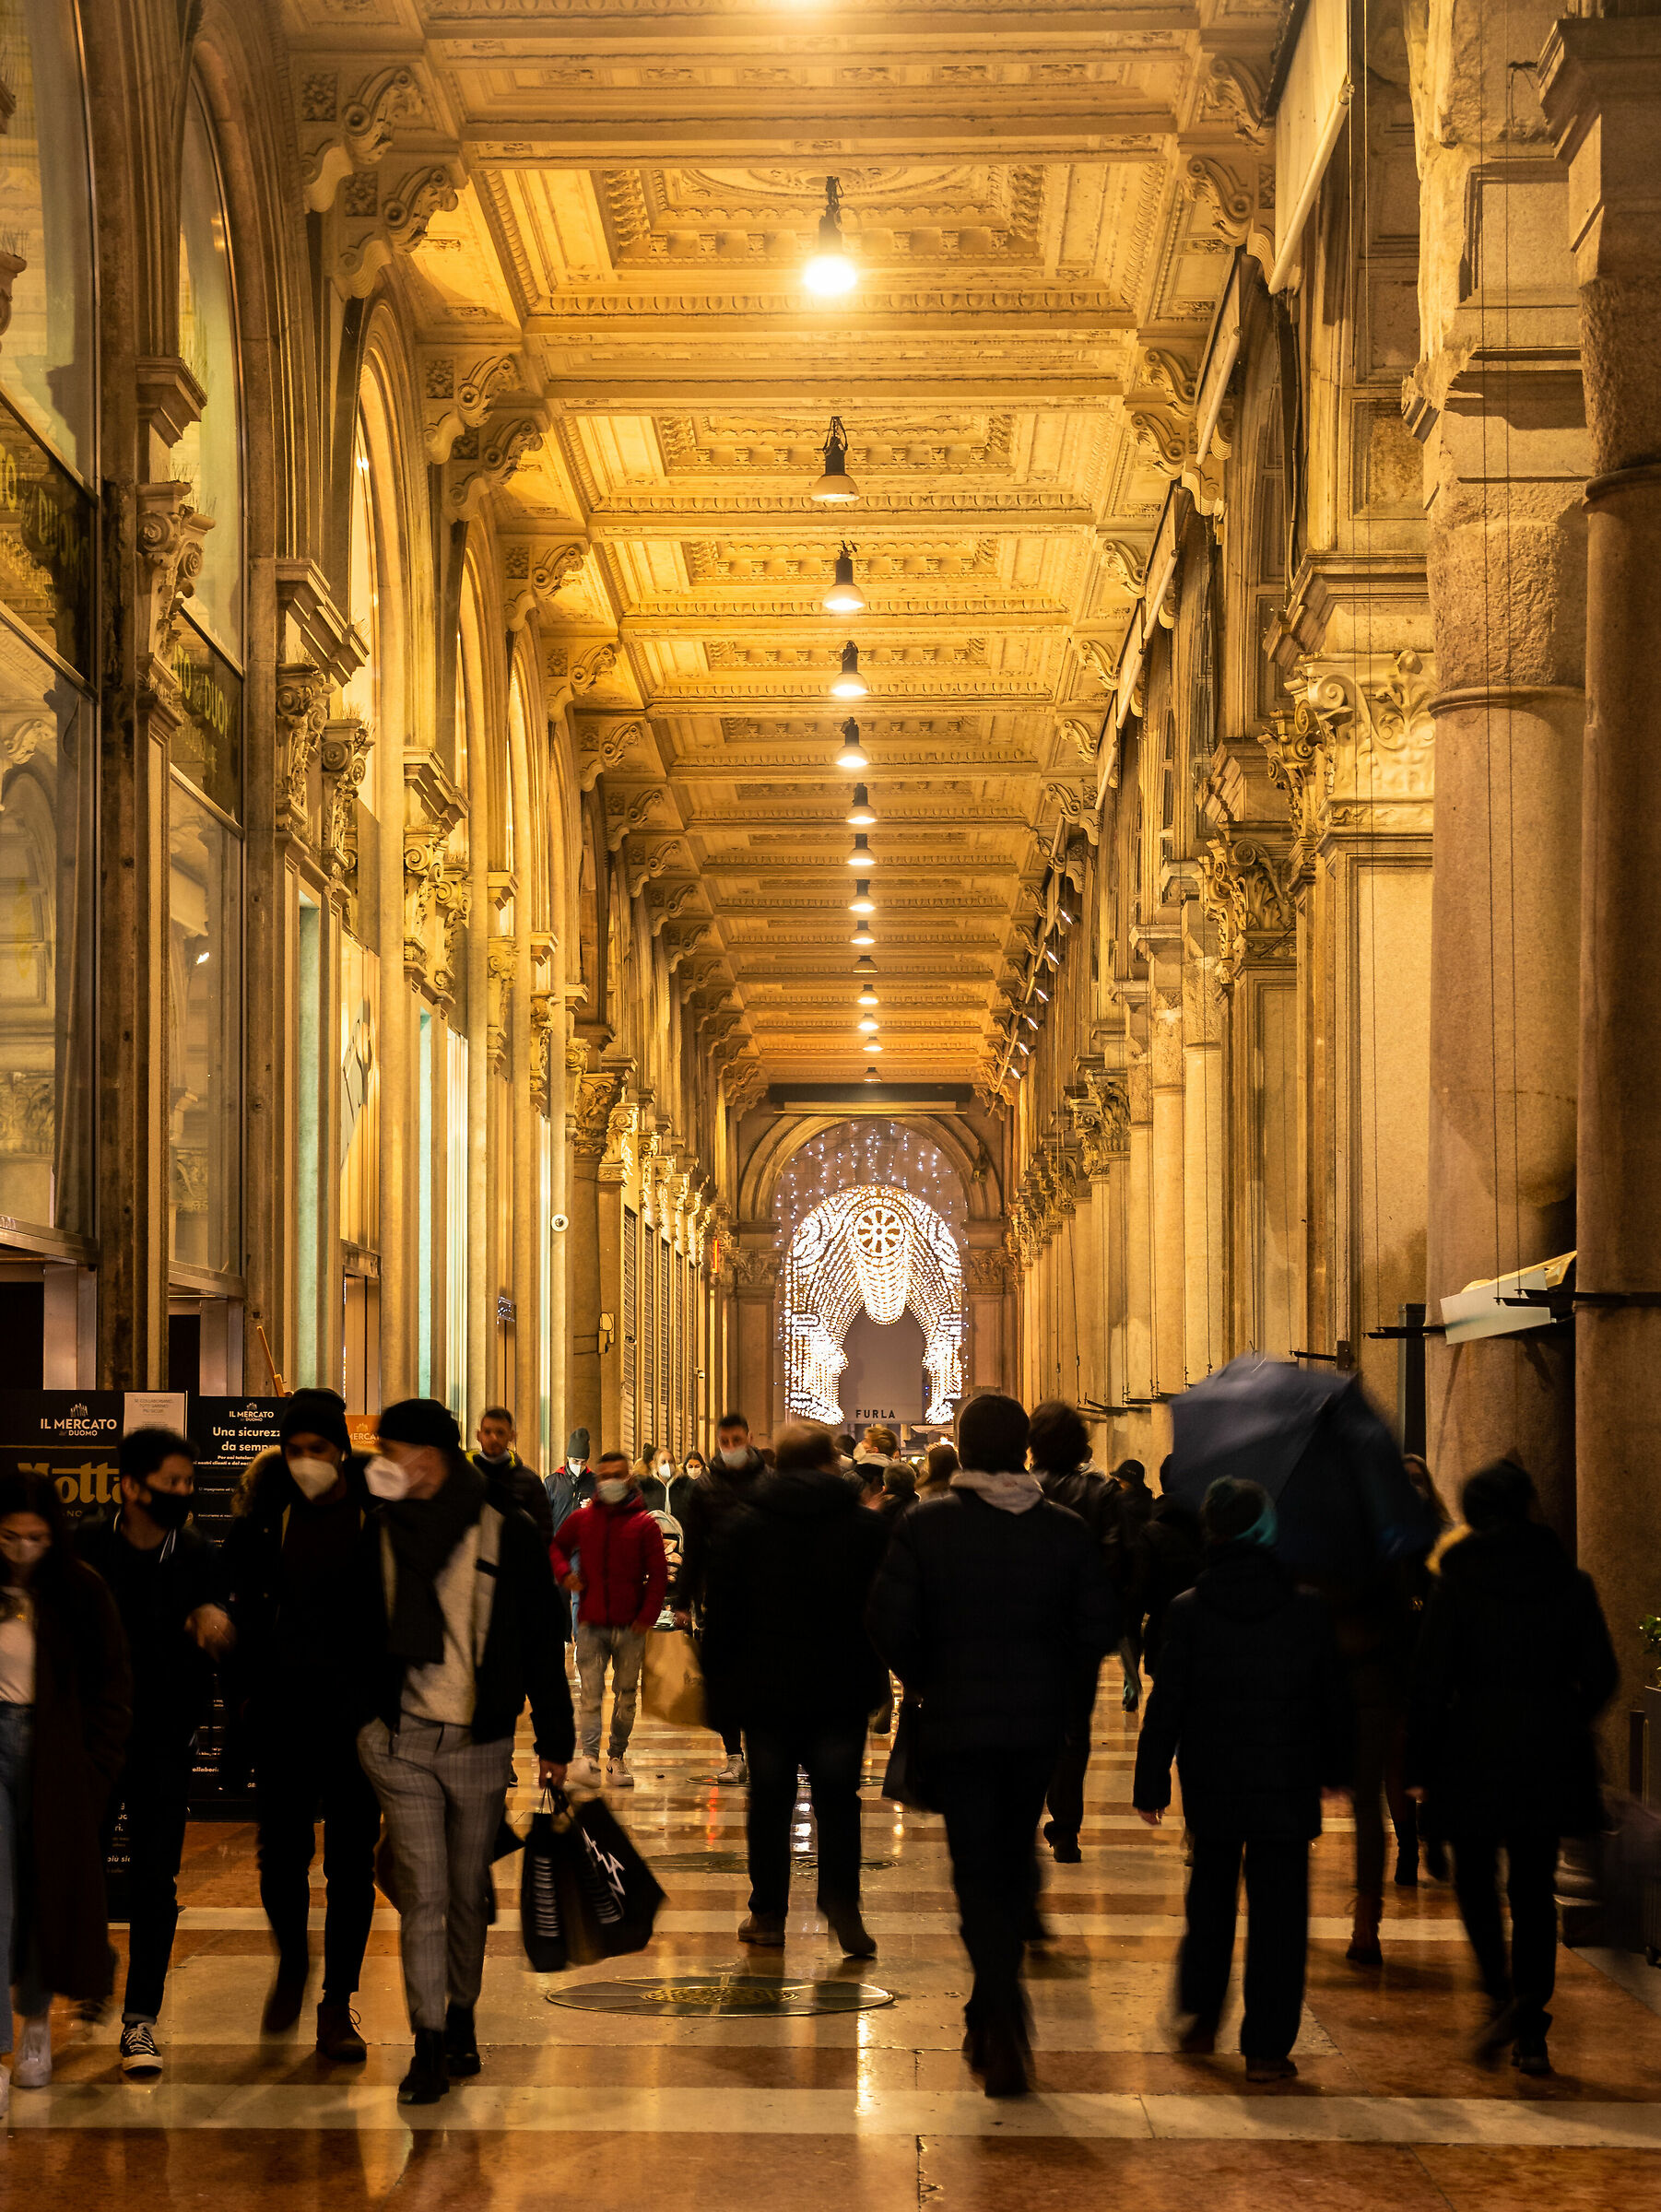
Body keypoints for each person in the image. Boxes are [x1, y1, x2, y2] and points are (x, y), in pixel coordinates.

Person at [868, 1393, 1118, 2098]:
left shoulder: (927, 1523)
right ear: (1024, 1452)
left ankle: (1000, 2012)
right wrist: (1058, 1677)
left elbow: (887, 1621)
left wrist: (926, 1680)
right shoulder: (1065, 1532)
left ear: (967, 1452)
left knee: (978, 1869)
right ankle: (994, 2006)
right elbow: (1099, 1625)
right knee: (1012, 1856)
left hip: (957, 1723)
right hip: (1037, 1725)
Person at [353, 1398, 572, 2106]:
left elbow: (542, 1642)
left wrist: (557, 1742)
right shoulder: (378, 1533)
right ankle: (427, 2042)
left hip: (480, 1740)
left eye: (391, 1451)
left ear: (430, 1456)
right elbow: (349, 1629)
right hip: (403, 1741)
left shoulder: (505, 1534)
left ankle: (462, 2013)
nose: (382, 1465)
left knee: (466, 1897)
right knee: (426, 1893)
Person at [1133, 1477, 1351, 2084]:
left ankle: (1200, 2016)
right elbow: (1333, 1698)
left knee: (1209, 1900)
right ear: (1265, 1531)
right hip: (1286, 1779)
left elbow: (1168, 1703)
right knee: (1280, 1918)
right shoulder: (1306, 1608)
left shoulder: (1189, 1610)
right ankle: (1266, 2048)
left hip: (1214, 1780)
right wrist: (1336, 1768)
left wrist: (1152, 1782)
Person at [1408, 1458, 1616, 2077]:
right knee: (1532, 1886)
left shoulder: (1454, 1585)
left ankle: (1502, 1995)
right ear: (1527, 1508)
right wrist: (1563, 1713)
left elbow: (1428, 1683)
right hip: (1547, 1752)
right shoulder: (1570, 1583)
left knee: (1475, 1879)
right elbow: (1603, 1674)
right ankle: (1530, 2021)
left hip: (1471, 1750)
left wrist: (1421, 1763)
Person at [222, 1388, 382, 2060]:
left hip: (358, 1720)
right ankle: (293, 1960)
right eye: (294, 1450)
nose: (306, 1460)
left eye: (317, 1449)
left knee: (350, 1865)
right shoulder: (262, 1521)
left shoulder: (378, 1518)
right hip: (285, 1714)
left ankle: (337, 2003)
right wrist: (244, 1706)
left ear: (340, 1451)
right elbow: (241, 1625)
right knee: (282, 1855)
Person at [77, 1427, 234, 2080]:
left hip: (166, 1739)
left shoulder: (195, 1551)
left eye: (188, 1482)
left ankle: (140, 2018)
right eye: (170, 1482)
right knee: (77, 1864)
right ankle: (88, 1971)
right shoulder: (86, 1547)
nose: (183, 1492)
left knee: (155, 1880)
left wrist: (215, 1629)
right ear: (131, 1487)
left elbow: (223, 1634)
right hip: (92, 1738)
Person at [703, 1423, 890, 1955]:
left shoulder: (743, 1527)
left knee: (769, 1804)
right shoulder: (865, 1529)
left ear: (777, 1467)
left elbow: (723, 1622)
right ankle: (842, 1905)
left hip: (767, 1695)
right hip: (842, 1689)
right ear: (832, 1465)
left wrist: (722, 1700)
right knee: (838, 1800)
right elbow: (886, 1611)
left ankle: (768, 1915)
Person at [0, 1472, 130, 2106]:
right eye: (9, 1537)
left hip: (53, 1749)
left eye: (36, 1538)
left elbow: (112, 1686)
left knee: (44, 1887)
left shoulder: (79, 1591)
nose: (23, 1549)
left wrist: (95, 1767)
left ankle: (33, 2025)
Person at [1028, 1400, 1114, 1865]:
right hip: (1078, 1637)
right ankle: (1066, 1830)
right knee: (1073, 1734)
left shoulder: (1018, 1491)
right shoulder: (1101, 1496)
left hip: (1025, 1634)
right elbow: (1118, 1567)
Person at [550, 1448, 668, 1790]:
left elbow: (658, 1575)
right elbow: (557, 1547)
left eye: (617, 1475)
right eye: (605, 1476)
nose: (611, 1482)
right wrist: (565, 1575)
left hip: (630, 1625)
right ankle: (589, 1757)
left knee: (626, 1695)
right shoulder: (584, 1519)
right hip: (591, 1622)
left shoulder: (644, 1524)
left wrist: (647, 1615)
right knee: (589, 1695)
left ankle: (617, 1756)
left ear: (629, 1478)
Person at [670, 1409, 768, 1784]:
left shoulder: (769, 1483)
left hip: (763, 1601)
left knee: (760, 1680)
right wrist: (683, 1602)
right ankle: (734, 1754)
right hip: (721, 1599)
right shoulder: (706, 1488)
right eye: (724, 1442)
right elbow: (694, 1549)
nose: (730, 1448)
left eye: (736, 1441)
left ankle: (762, 1750)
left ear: (749, 1438)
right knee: (722, 1681)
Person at [1105, 1458, 1155, 1710]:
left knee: (1125, 1632)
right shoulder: (1152, 1504)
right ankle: (1130, 1682)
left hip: (1124, 1577)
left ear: (1128, 1480)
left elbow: (1113, 1540)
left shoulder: (1117, 1503)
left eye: (1121, 1478)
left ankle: (1131, 1682)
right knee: (1134, 1629)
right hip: (1147, 1577)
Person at [470, 1405, 552, 1548]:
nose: (493, 1438)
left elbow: (543, 1532)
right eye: (487, 1432)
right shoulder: (466, 1477)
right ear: (478, 1435)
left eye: (500, 1433)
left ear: (512, 1436)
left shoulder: (530, 1481)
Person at [545, 1428, 595, 1534]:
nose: (579, 1465)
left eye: (583, 1462)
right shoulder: (552, 1482)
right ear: (568, 1457)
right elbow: (543, 1516)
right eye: (576, 1461)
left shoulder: (596, 1482)